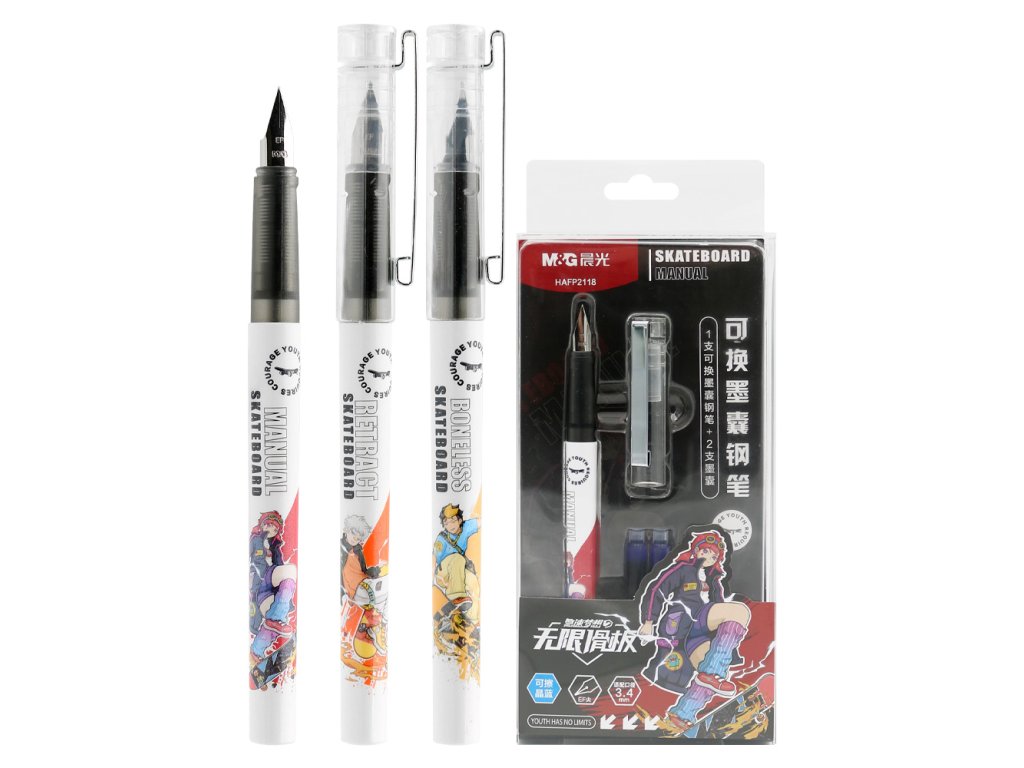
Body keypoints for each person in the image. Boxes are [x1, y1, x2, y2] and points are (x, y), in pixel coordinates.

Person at [638, 530, 750, 732]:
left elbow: (719, 606)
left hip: (702, 631)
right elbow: (657, 590)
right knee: (739, 611)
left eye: (713, 556)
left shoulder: (713, 579)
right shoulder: (683, 569)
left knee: (709, 672)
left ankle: (682, 714)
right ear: (696, 550)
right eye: (705, 551)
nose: (708, 557)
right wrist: (649, 621)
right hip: (684, 624)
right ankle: (712, 674)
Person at [249, 510, 297, 659]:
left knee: (274, 621)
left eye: (275, 529)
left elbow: (280, 570)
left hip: (271, 591)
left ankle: (256, 650)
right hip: (261, 583)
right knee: (291, 571)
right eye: (269, 525)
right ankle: (275, 619)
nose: (272, 530)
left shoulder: (275, 547)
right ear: (262, 525)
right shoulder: (255, 541)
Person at [433, 503, 480, 623]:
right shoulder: (441, 539)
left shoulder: (466, 528)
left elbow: (480, 522)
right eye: (446, 523)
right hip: (443, 573)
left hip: (457, 571)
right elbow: (434, 559)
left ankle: (472, 620)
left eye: (453, 521)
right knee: (458, 558)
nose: (450, 525)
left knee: (473, 582)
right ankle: (456, 597)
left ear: (459, 520)